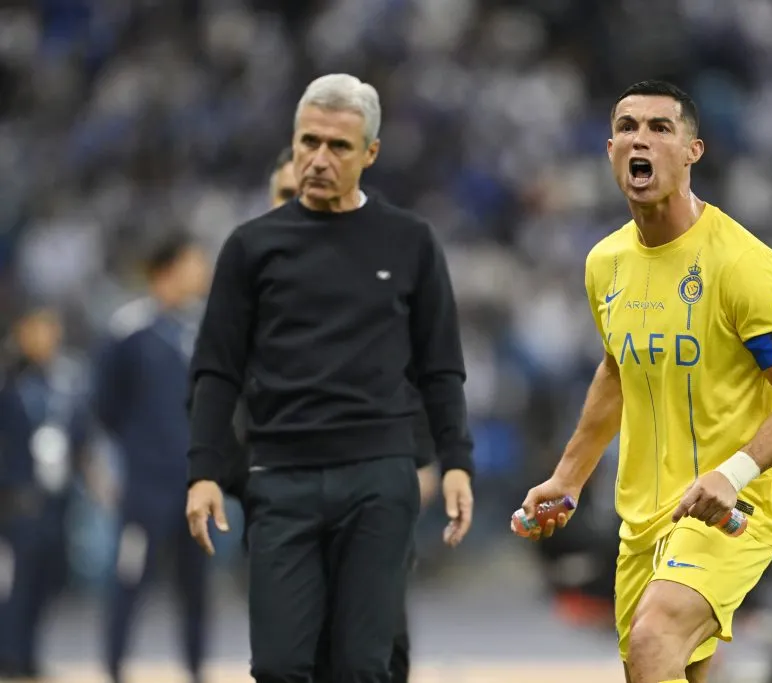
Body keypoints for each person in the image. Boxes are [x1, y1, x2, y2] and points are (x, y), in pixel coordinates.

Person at [519, 80, 772, 683]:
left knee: (655, 635)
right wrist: (568, 477)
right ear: (611, 150)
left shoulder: (745, 266)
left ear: (694, 151)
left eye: (661, 128)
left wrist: (733, 474)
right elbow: (616, 370)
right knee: (667, 666)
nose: (642, 138)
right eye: (629, 127)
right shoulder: (604, 264)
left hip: (728, 511)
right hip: (640, 521)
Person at [185, 73, 474, 683]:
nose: (318, 158)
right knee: (281, 666)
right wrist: (204, 470)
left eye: (338, 146)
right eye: (307, 141)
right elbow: (217, 369)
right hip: (280, 480)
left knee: (362, 667)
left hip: (378, 476)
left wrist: (456, 461)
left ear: (370, 153)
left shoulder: (410, 241)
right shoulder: (252, 247)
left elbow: (440, 366)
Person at [95, 236, 213, 683]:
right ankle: (114, 667)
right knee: (129, 581)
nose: (201, 272)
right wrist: (133, 455)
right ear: (166, 270)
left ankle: (197, 669)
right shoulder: (129, 331)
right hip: (144, 487)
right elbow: (106, 406)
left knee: (195, 586)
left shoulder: (201, 329)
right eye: (193, 263)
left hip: (194, 483)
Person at [0, 303, 89, 681]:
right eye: (36, 329)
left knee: (48, 580)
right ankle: (10, 655)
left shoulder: (67, 380)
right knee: (15, 583)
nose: (44, 338)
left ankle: (30, 652)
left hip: (56, 498)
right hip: (17, 501)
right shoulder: (9, 380)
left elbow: (81, 436)